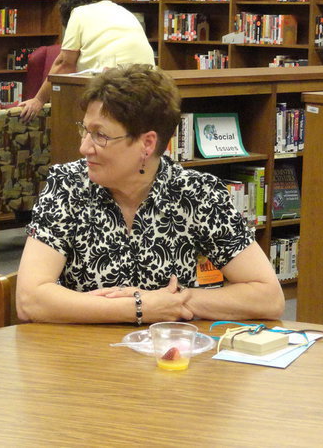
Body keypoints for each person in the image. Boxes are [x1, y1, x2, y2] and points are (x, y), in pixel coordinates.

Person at [16, 64, 285, 325]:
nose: (84, 147)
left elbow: (269, 298)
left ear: (147, 143)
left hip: (167, 352)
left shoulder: (196, 194)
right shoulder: (67, 186)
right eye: (85, 130)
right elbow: (29, 300)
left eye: (100, 135)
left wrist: (180, 300)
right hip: (80, 350)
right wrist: (140, 308)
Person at [19, 0, 155, 122]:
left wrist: (38, 100)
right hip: (148, 82)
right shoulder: (122, 11)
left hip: (114, 84)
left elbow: (64, 64)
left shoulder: (78, 13)